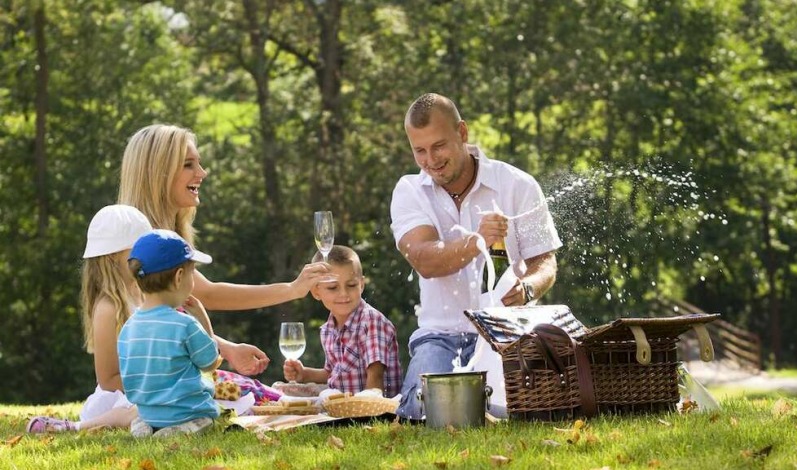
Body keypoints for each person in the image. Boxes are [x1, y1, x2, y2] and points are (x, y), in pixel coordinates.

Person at [390, 93, 562, 419]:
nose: (430, 160)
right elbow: (425, 261)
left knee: (529, 412)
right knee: (421, 412)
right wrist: (477, 242)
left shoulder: (517, 185)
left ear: (463, 133)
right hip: (441, 337)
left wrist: (527, 288)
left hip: (510, 334)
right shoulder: (409, 191)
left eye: (438, 146)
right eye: (419, 151)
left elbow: (545, 263)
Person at [118, 124, 332, 375]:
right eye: (188, 164)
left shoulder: (161, 234)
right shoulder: (140, 239)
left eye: (198, 163)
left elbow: (174, 315)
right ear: (158, 174)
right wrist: (292, 289)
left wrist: (227, 348)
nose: (202, 172)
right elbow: (207, 295)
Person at [26, 204, 152, 434]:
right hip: (123, 397)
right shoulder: (108, 308)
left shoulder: (145, 293)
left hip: (152, 386)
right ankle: (72, 427)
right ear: (115, 256)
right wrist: (156, 383)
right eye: (140, 249)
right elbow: (107, 379)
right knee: (149, 410)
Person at [118, 229, 221, 437]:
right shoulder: (184, 324)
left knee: (144, 418)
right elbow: (210, 363)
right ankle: (179, 430)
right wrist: (203, 317)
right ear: (179, 277)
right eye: (192, 273)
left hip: (148, 413)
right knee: (208, 417)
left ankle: (146, 428)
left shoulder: (128, 327)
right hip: (189, 412)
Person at [282, 246, 402, 398]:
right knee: (281, 391)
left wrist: (369, 415)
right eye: (333, 287)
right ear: (316, 292)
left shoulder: (371, 321)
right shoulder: (327, 330)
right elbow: (333, 374)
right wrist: (304, 374)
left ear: (362, 285)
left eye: (351, 285)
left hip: (371, 408)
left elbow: (376, 378)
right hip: (342, 406)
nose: (344, 294)